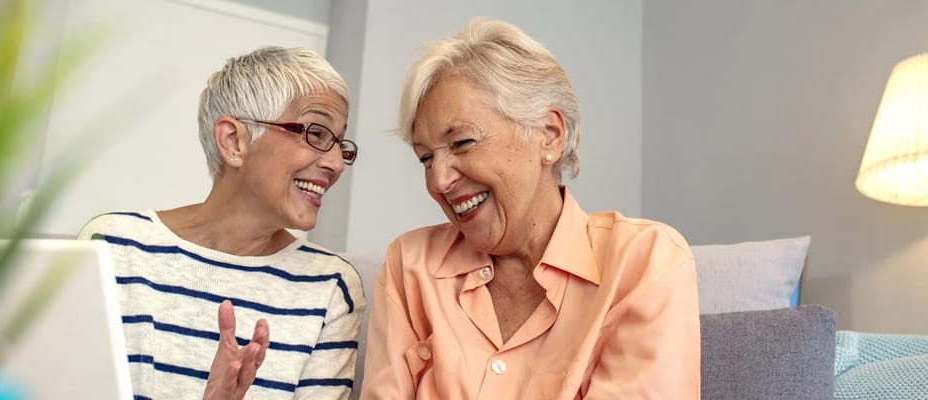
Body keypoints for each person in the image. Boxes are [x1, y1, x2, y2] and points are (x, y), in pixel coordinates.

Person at [360, 18, 700, 399]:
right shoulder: (410, 266)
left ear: (549, 135)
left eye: (462, 143)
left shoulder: (643, 262)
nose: (438, 181)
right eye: (425, 158)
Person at [78, 46, 365, 400]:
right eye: (317, 134)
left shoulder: (331, 287)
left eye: (340, 144)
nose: (336, 164)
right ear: (233, 141)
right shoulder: (113, 247)